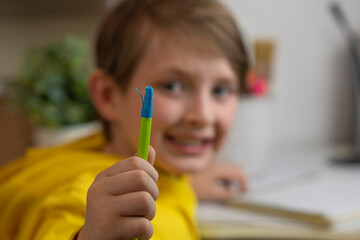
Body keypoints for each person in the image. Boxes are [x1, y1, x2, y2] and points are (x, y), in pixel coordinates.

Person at [0, 0, 249, 239]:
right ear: (108, 97)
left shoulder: (160, 166)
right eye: (172, 86)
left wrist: (186, 184)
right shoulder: (83, 202)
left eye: (221, 90)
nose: (203, 115)